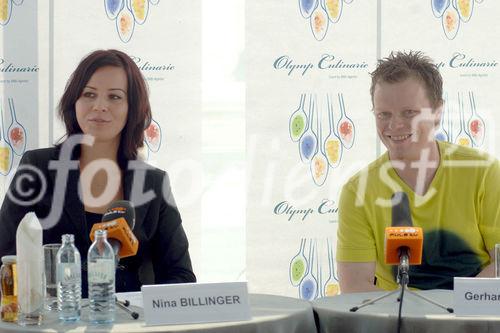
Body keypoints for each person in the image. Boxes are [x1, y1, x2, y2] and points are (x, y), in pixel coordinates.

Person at [0, 49, 196, 297]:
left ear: (133, 108)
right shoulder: (37, 167)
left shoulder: (154, 182)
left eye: (114, 97)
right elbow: (5, 256)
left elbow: (180, 275)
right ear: (74, 102)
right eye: (89, 94)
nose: (99, 106)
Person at [336, 51, 500, 293]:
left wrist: (450, 314)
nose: (394, 125)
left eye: (409, 113)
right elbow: (355, 288)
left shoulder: (484, 173)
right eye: (384, 114)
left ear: (437, 113)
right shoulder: (357, 191)